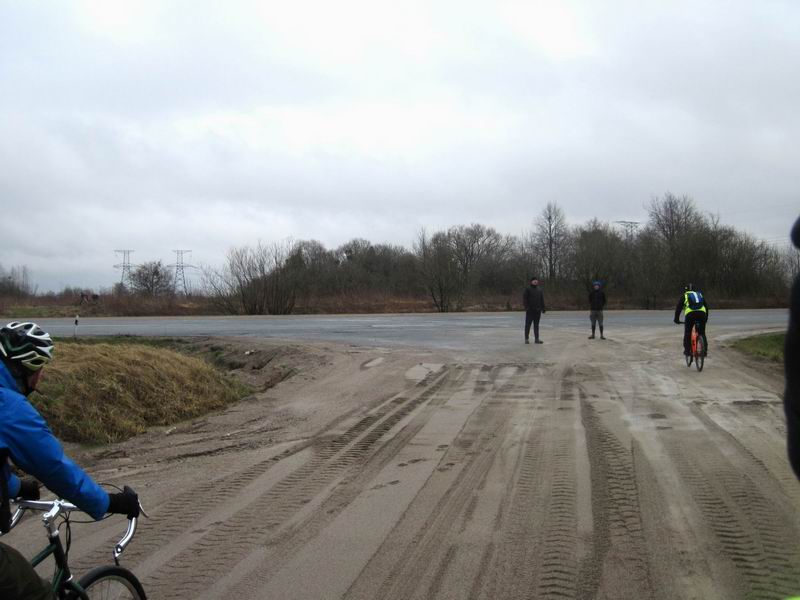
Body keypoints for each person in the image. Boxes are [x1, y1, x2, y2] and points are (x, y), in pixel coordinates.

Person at [0, 322, 140, 600]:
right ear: (26, 369)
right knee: (34, 592)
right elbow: (54, 467)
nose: (39, 379)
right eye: (39, 371)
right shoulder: (10, 408)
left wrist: (15, 487)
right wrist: (108, 502)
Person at [785, 216, 800, 480]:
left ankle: (692, 346)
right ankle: (701, 347)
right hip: (703, 316)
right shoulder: (700, 297)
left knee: (688, 332)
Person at [673, 284, 709, 359]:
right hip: (702, 313)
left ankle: (687, 351)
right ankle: (704, 352)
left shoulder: (685, 295)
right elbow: (706, 307)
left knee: (688, 332)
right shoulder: (699, 294)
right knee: (702, 332)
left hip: (690, 314)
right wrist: (705, 318)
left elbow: (678, 308)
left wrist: (676, 319)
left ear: (686, 290)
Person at [523, 276, 546, 344]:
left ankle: (537, 339)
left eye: (536, 280)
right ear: (531, 281)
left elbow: (542, 299)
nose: (535, 281)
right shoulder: (528, 289)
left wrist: (543, 308)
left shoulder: (540, 290)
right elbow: (525, 299)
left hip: (537, 311)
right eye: (534, 280)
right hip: (530, 310)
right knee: (528, 325)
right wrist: (526, 307)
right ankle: (526, 339)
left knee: (536, 325)